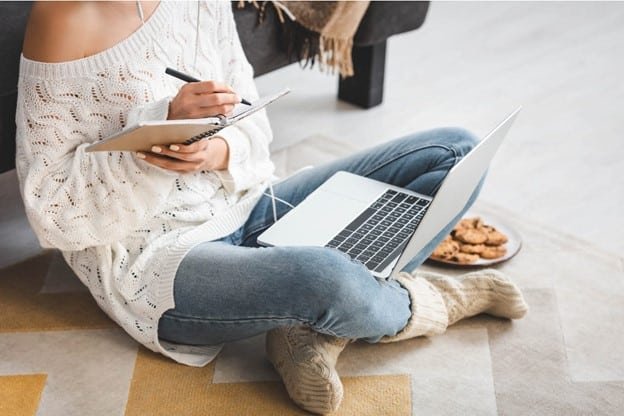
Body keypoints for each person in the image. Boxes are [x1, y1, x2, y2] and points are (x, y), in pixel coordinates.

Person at [17, 1, 528, 414]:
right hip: (159, 258)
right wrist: (157, 136)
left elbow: (252, 123)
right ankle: (421, 303)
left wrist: (213, 150)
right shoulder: (62, 18)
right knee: (324, 276)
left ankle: (306, 330)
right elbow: (53, 209)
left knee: (455, 151)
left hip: (250, 201)